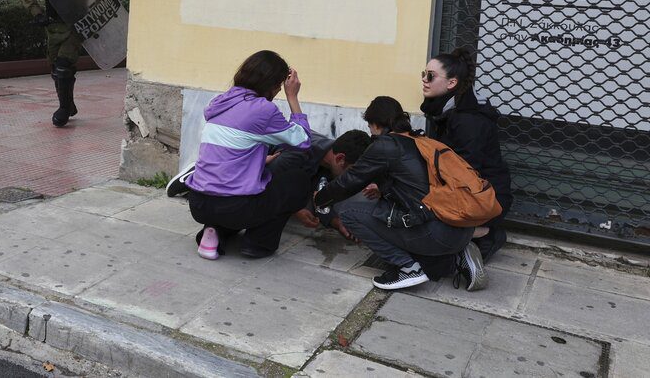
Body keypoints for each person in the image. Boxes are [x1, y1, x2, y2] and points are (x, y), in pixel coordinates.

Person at [315, 96, 487, 292]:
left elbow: (348, 183)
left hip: (437, 233)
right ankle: (459, 253)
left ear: (375, 124)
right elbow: (419, 186)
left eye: (370, 127)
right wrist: (383, 189)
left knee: (349, 211)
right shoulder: (420, 140)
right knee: (390, 215)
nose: (370, 133)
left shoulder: (385, 145)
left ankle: (408, 268)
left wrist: (319, 200)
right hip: (460, 227)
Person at [185, 51, 324, 260]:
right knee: (296, 181)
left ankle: (214, 232)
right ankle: (257, 243)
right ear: (272, 84)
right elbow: (303, 140)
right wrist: (293, 96)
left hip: (198, 203)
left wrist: (259, 160)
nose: (278, 90)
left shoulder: (220, 102)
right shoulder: (263, 109)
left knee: (237, 189)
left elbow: (229, 152)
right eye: (278, 85)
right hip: (234, 207)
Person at [422, 46, 512, 261]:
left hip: (487, 197)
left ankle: (485, 233)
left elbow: (465, 172)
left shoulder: (468, 119)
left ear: (452, 83)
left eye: (431, 76)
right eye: (423, 74)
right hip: (474, 189)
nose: (424, 80)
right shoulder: (448, 110)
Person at [23, 0, 84, 127]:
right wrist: (38, 14)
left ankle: (64, 109)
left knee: (64, 66)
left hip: (73, 28)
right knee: (55, 71)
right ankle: (68, 103)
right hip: (53, 27)